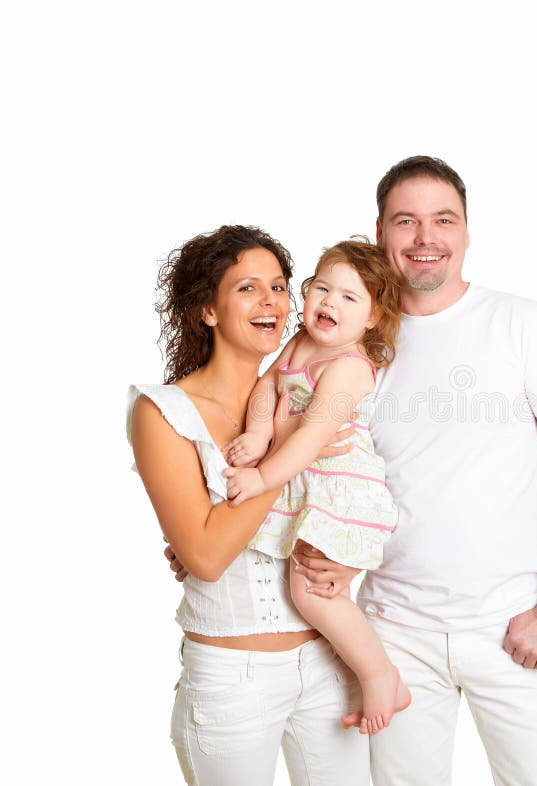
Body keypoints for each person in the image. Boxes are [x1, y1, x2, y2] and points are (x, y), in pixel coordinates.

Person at [292, 157, 537, 786]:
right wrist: (209, 524)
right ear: (381, 231)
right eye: (405, 221)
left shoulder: (522, 324)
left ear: (467, 231)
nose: (425, 238)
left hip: (511, 625)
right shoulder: (355, 344)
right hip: (391, 632)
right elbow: (308, 458)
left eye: (443, 220)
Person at [128, 225, 369, 786]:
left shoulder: (320, 387)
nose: (272, 301)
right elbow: (209, 557)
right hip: (233, 678)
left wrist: (351, 559)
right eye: (247, 288)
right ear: (207, 310)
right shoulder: (164, 413)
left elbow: (365, 496)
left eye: (281, 286)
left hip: (329, 661)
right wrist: (286, 445)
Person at [222, 239, 411, 735]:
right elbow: (266, 387)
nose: (330, 302)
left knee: (311, 591)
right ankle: (373, 672)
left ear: (372, 318)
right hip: (302, 476)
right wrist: (258, 434)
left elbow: (312, 435)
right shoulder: (301, 344)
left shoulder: (348, 366)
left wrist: (262, 473)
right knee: (304, 585)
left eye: (350, 298)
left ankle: (381, 675)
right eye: (323, 288)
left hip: (341, 486)